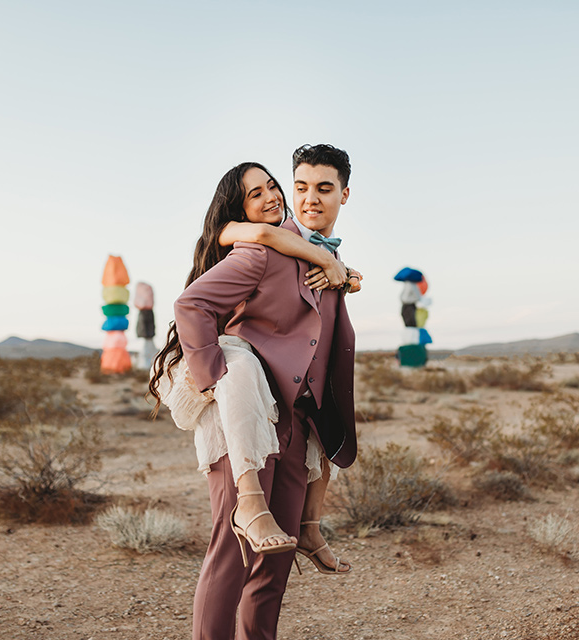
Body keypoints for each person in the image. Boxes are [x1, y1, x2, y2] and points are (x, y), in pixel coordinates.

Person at [154, 145, 356, 639]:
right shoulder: (262, 253)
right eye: (301, 186)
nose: (306, 198)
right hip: (249, 419)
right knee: (231, 553)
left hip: (297, 423)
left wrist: (342, 272)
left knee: (275, 564)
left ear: (343, 195)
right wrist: (215, 377)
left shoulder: (325, 262)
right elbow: (191, 304)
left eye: (322, 188)